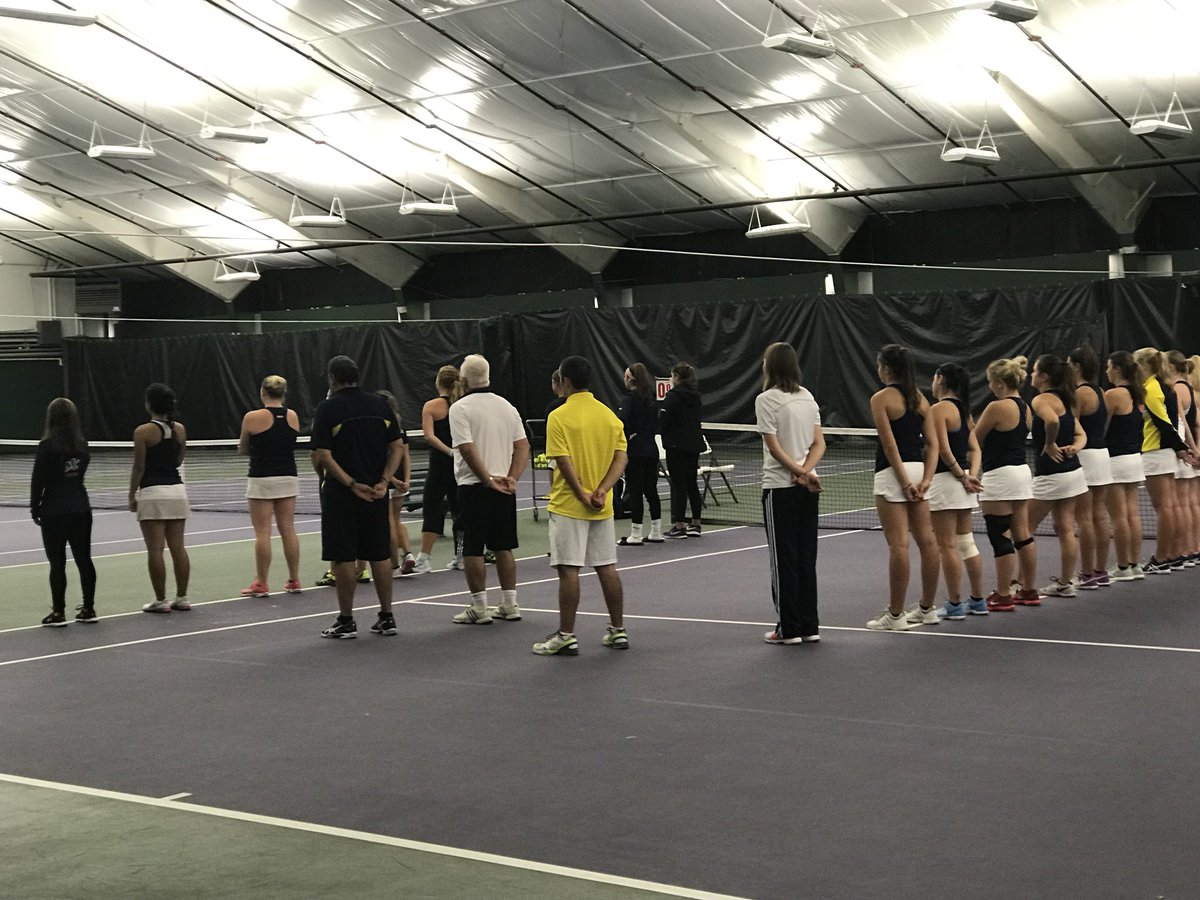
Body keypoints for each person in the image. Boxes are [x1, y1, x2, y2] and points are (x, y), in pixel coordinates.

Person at [535, 354, 628, 656]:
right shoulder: (609, 416)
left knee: (569, 571)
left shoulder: (558, 417)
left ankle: (566, 635)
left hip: (568, 506)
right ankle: (618, 630)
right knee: (607, 568)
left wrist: (582, 494)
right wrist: (602, 491)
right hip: (603, 506)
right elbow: (621, 458)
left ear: (565, 381)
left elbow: (562, 460)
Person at [309, 355, 405, 639]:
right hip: (376, 494)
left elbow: (322, 455)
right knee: (380, 555)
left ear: (331, 379)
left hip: (342, 496)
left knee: (343, 558)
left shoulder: (327, 409)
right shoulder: (380, 404)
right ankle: (387, 617)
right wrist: (384, 481)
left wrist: (351, 484)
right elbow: (397, 447)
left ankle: (346, 621)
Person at [447, 354, 529, 625]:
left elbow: (467, 449)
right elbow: (522, 446)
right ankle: (509, 604)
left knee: (473, 548)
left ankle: (479, 608)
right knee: (504, 546)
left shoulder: (459, 409)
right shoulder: (507, 406)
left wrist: (487, 479)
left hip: (474, 488)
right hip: (503, 488)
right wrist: (511, 478)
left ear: (464, 379)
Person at [865, 344, 939, 631]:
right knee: (928, 541)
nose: (878, 370)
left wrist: (906, 482)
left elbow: (889, 444)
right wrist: (926, 479)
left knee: (899, 545)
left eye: (879, 365)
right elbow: (933, 444)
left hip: (893, 474)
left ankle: (895, 616)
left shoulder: (880, 398)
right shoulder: (921, 399)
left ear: (886, 368)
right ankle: (927, 609)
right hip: (919, 471)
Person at [755, 343, 824, 644]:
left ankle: (790, 629)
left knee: (785, 560)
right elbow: (818, 444)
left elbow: (773, 446)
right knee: (806, 559)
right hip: (807, 489)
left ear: (769, 366)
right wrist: (806, 471)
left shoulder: (765, 400)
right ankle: (809, 627)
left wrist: (798, 472)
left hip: (780, 490)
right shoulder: (807, 396)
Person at [924, 364, 987, 621]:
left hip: (946, 482)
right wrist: (971, 474)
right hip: (962, 485)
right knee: (966, 543)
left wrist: (963, 477)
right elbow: (975, 450)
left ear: (940, 379)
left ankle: (955, 603)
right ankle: (978, 600)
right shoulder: (963, 410)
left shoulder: (938, 409)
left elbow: (941, 450)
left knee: (947, 545)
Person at [974, 357, 1038, 611]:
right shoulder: (1025, 407)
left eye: (990, 382)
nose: (989, 386)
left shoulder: (996, 407)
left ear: (1000, 383)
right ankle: (1029, 589)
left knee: (1000, 535)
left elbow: (975, 439)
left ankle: (1003, 594)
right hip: (1022, 472)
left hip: (1000, 476)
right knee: (1022, 533)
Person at [30, 397, 97, 626]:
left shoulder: (47, 446)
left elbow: (38, 479)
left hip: (54, 510)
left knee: (57, 562)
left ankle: (58, 612)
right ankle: (89, 608)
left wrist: (34, 506)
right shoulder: (82, 445)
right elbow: (79, 474)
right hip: (80, 508)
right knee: (84, 559)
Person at [1026, 354, 1088, 598]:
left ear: (1044, 376)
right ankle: (1065, 582)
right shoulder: (1064, 400)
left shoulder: (1041, 400)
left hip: (1051, 475)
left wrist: (1050, 444)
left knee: (1023, 529)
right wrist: (1075, 447)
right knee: (1065, 527)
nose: (1031, 375)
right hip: (1073, 473)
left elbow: (1051, 421)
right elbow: (1081, 435)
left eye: (1034, 371)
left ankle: (1017, 584)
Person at [237, 375, 302, 598]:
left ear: (263, 392)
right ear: (283, 393)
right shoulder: (293, 416)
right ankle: (294, 580)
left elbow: (243, 448)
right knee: (288, 529)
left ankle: (262, 583)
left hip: (262, 478)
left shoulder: (252, 417)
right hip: (288, 477)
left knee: (263, 532)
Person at [129, 383, 191, 613]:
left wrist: (131, 495)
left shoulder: (143, 432)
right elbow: (177, 461)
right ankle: (182, 597)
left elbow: (138, 467)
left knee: (155, 550)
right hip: (176, 492)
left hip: (152, 494)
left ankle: (161, 600)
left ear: (148, 405)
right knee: (178, 548)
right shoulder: (181, 430)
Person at [1134, 347, 1189, 574]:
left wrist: (1181, 448)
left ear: (1144, 366)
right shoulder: (1157, 387)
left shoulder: (1152, 389)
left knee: (1164, 507)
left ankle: (1161, 558)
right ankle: (1173, 555)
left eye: (1136, 365)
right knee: (1169, 506)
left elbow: (1164, 423)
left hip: (1156, 453)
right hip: (1161, 453)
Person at [1067, 345, 1116, 589]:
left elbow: (1071, 428)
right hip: (1101, 455)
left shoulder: (1079, 393)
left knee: (1084, 517)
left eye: (1069, 363)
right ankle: (1100, 571)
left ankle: (1087, 573)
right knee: (1099, 513)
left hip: (1086, 456)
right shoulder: (1100, 391)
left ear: (1076, 366)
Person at [413, 365, 464, 574]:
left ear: (438, 382)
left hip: (441, 465)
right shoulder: (462, 406)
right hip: (460, 464)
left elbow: (429, 436)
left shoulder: (431, 406)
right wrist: (456, 452)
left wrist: (449, 452)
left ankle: (424, 559)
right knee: (459, 509)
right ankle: (461, 557)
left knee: (432, 507)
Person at [1104, 351, 1146, 581]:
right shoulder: (1137, 394)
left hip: (1116, 461)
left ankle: (1123, 567)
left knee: (1119, 515)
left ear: (1118, 369)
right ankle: (1134, 564)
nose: (1107, 371)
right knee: (1132, 513)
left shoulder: (1114, 394)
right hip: (1133, 459)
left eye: (1109, 367)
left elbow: (1102, 429)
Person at [617, 362, 663, 546]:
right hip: (652, 450)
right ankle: (656, 532)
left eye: (626, 376)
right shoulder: (652, 399)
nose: (624, 379)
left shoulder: (628, 399)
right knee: (651, 490)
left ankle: (635, 535)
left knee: (635, 492)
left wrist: (628, 435)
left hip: (635, 451)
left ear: (631, 379)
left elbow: (621, 422)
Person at [659, 362, 704, 539]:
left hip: (677, 447)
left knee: (678, 485)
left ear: (676, 377)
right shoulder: (696, 396)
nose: (671, 379)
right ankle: (696, 523)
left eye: (672, 376)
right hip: (693, 445)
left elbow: (664, 421)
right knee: (691, 483)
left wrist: (667, 439)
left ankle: (679, 525)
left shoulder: (672, 397)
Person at [1166, 351, 1200, 566]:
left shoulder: (1178, 389)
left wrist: (1190, 448)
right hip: (1190, 450)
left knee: (1181, 503)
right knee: (1190, 501)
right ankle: (1192, 548)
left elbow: (1189, 424)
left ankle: (1184, 550)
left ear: (1170, 366)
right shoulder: (1189, 389)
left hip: (1185, 452)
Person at [377, 390, 415, 578]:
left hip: (388, 480)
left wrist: (391, 480)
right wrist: (406, 480)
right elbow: (405, 456)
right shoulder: (400, 427)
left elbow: (381, 459)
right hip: (398, 481)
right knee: (397, 519)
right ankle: (408, 553)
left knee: (388, 521)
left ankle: (393, 565)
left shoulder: (379, 427)